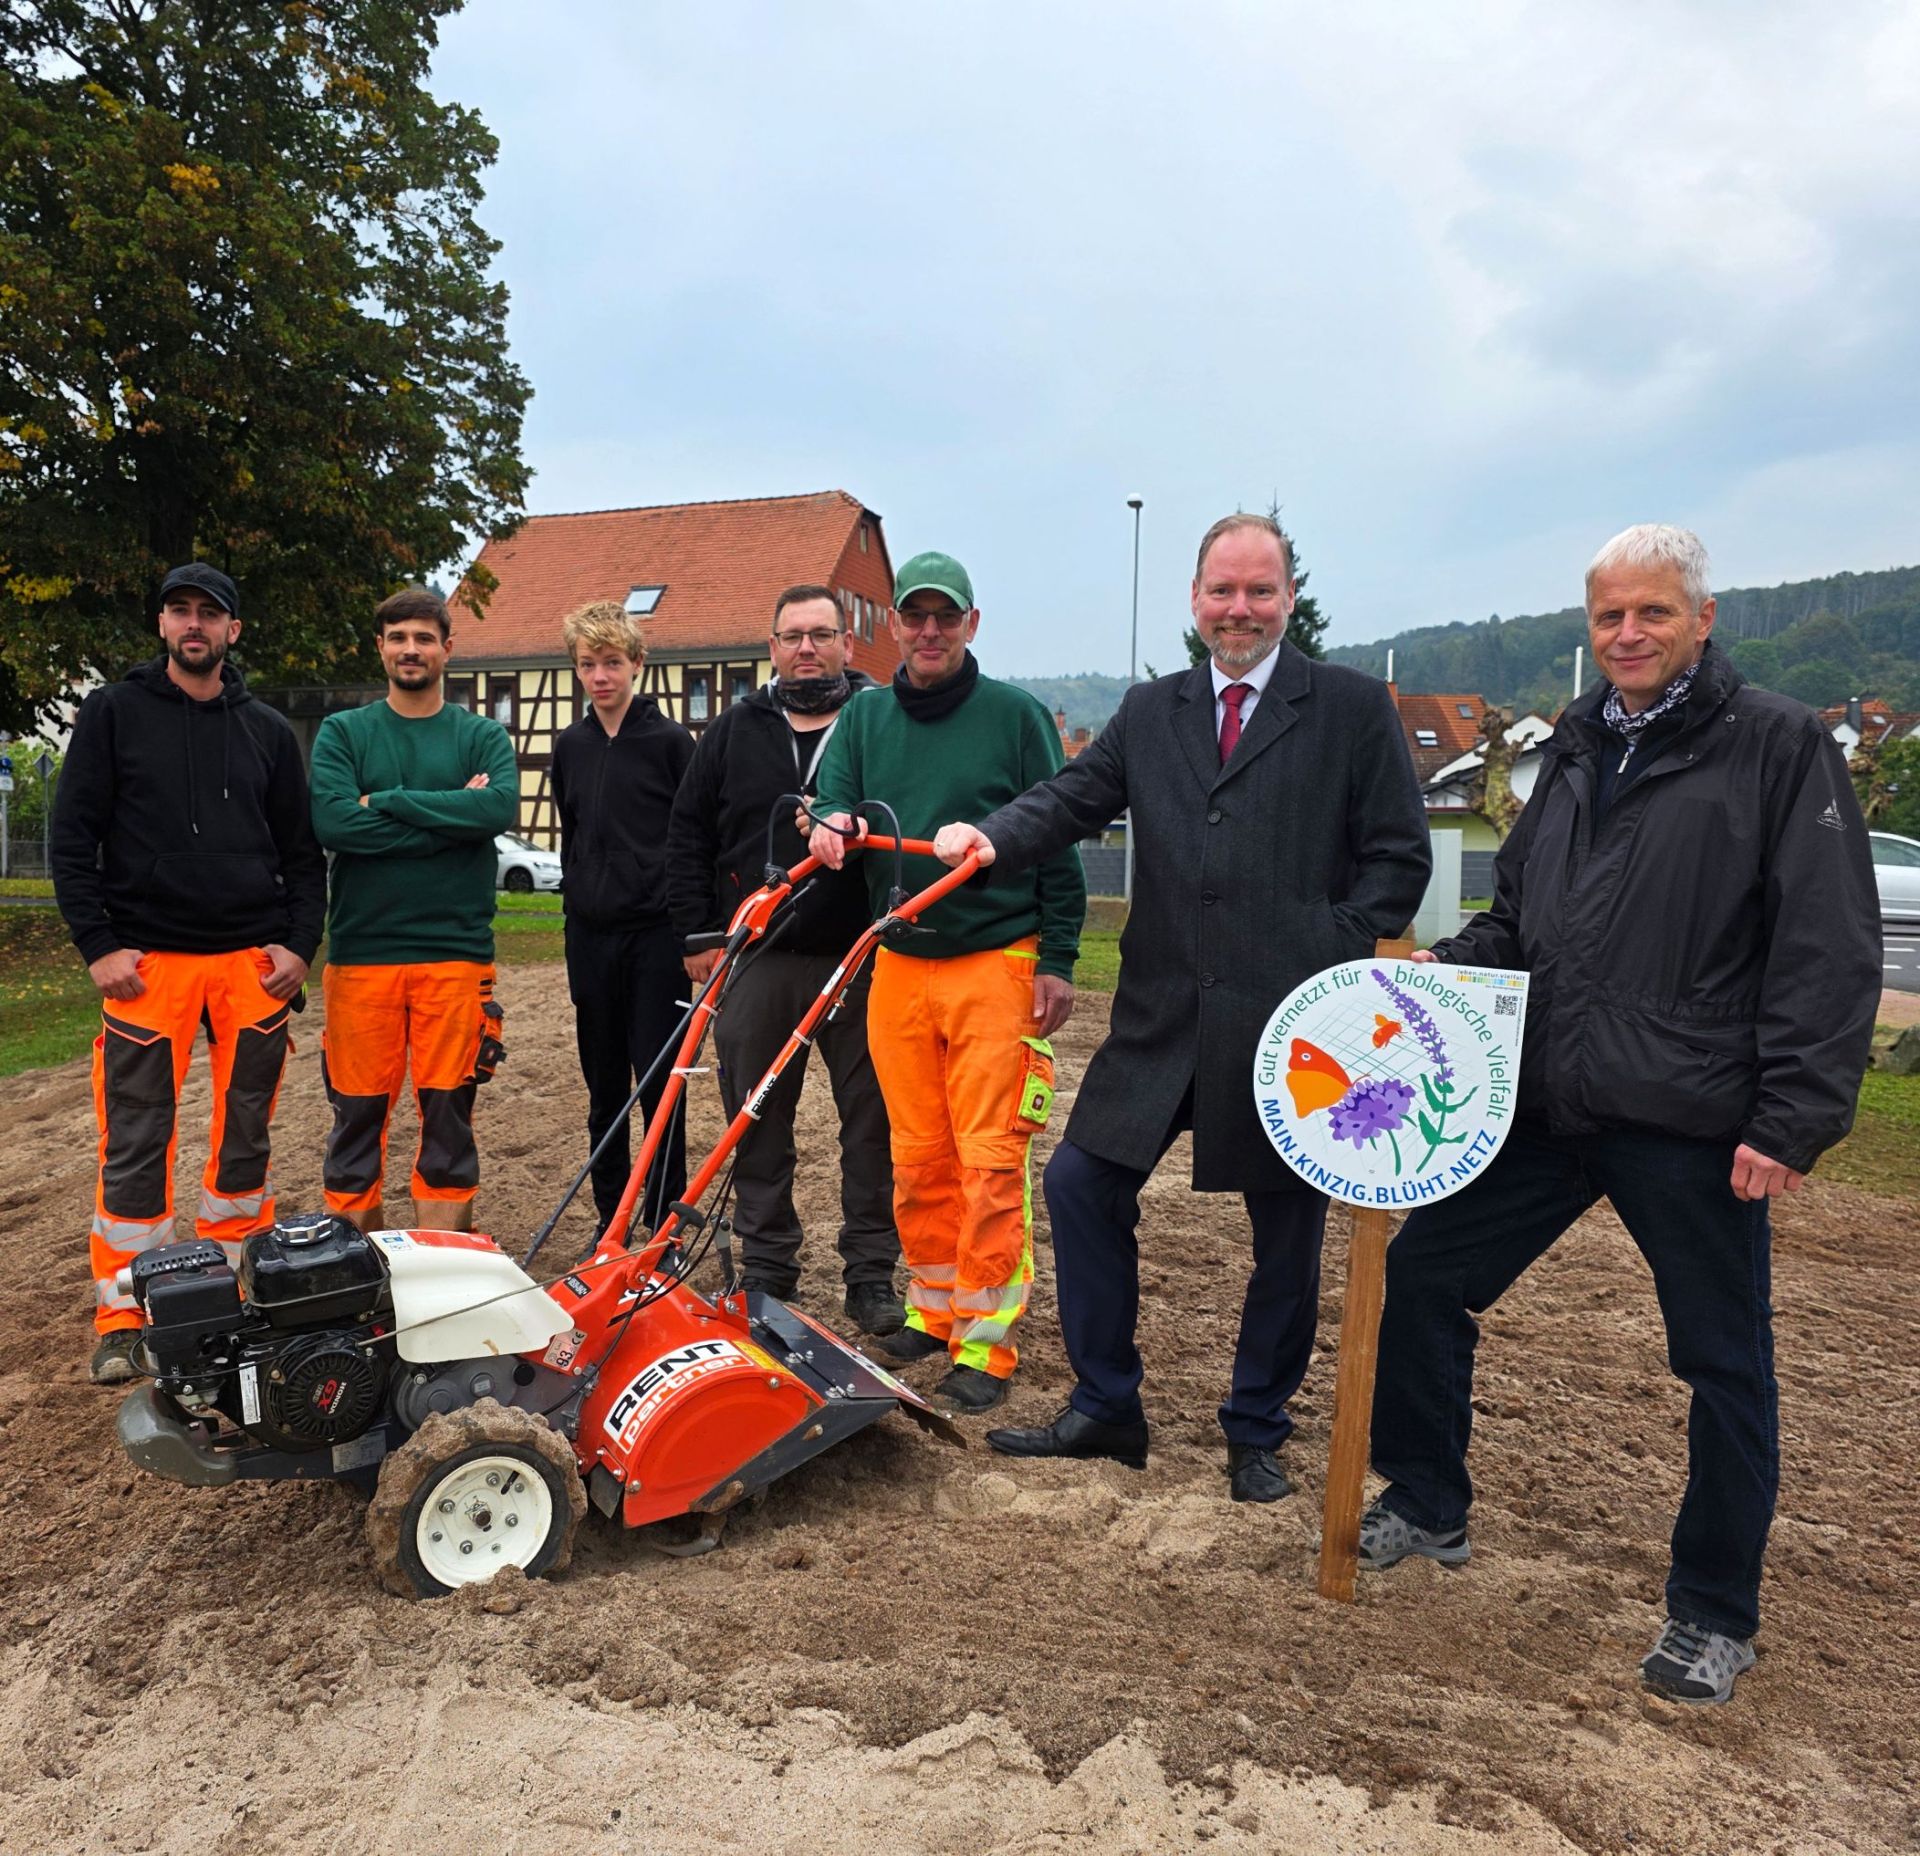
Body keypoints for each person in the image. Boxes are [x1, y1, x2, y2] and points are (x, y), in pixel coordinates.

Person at [1360, 523, 1881, 1706]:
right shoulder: (1580, 746)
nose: (1629, 635)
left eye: (1652, 612)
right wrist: (1451, 965)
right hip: (1554, 1094)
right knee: (1427, 1275)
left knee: (1721, 1359)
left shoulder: (1781, 746)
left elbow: (1828, 946)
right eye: (1609, 617)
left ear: (1702, 617)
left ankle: (1713, 1610)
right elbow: (1526, 914)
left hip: (1694, 1113)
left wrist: (1791, 1115)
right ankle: (1429, 1499)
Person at [930, 513, 1430, 1498]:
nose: (1238, 609)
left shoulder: (1349, 708)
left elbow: (1399, 858)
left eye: (1258, 590)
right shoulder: (1150, 710)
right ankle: (1108, 1404)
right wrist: (990, 837)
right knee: (1080, 1186)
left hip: (1288, 1026)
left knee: (1285, 1233)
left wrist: (1324, 947)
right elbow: (1072, 796)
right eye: (1221, 590)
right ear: (1193, 599)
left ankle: (1256, 1429)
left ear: (1287, 596)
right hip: (1161, 1016)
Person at [810, 551, 1085, 1413]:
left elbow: (1058, 831)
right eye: (915, 616)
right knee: (917, 1154)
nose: (929, 631)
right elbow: (835, 804)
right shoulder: (863, 719)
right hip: (899, 957)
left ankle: (987, 1344)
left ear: (971, 624)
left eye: (946, 616)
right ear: (894, 624)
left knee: (991, 1159)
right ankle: (932, 1312)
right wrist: (829, 825)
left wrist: (1059, 956)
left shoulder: (1014, 716)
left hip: (995, 959)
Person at [52, 563, 327, 1384]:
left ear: (233, 631)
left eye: (210, 613)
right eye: (180, 611)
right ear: (163, 626)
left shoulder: (269, 731)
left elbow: (301, 856)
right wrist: (97, 945)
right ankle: (123, 1314)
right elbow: (72, 839)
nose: (194, 624)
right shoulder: (112, 714)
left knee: (247, 1131)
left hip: (249, 965)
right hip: (148, 966)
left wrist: (298, 947)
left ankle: (240, 1279)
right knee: (136, 1137)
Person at [665, 585, 902, 1333]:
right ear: (770, 648)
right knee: (756, 1117)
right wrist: (702, 937)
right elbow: (688, 835)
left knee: (873, 1122)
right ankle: (768, 1263)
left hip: (862, 955)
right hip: (762, 956)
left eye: (821, 635)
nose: (807, 648)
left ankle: (871, 1271)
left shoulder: (880, 722)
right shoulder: (734, 731)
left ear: (845, 645)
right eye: (792, 635)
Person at [309, 586, 519, 1232]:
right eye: (397, 637)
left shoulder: (481, 735)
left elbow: (496, 809)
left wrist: (386, 801)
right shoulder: (344, 732)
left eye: (423, 638)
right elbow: (335, 823)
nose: (410, 649)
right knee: (356, 1119)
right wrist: (450, 818)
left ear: (447, 649)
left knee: (449, 1121)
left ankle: (442, 1264)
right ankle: (355, 1268)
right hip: (361, 957)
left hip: (456, 959)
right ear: (380, 647)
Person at [550, 601, 694, 1238]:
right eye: (588, 665)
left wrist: (693, 928)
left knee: (660, 1085)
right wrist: (574, 913)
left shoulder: (670, 744)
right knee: (603, 1087)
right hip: (591, 936)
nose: (600, 675)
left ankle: (663, 1222)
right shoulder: (570, 746)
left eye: (611, 662)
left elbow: (693, 840)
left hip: (657, 938)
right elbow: (571, 835)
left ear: (637, 664)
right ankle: (612, 1220)